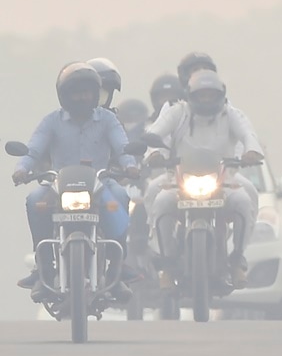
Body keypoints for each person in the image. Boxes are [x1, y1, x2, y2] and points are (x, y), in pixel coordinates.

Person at [12, 62, 140, 301]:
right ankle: (44, 268)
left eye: (87, 92)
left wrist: (130, 166)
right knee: (34, 200)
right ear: (64, 96)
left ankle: (117, 267)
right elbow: (33, 150)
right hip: (58, 186)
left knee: (121, 198)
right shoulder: (51, 121)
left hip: (100, 184)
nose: (82, 98)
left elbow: (123, 147)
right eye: (76, 92)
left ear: (95, 94)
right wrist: (21, 170)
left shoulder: (108, 120)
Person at [143, 69, 264, 288]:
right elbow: (155, 133)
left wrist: (251, 152)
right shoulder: (177, 112)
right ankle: (167, 265)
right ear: (190, 94)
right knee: (160, 202)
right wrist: (153, 153)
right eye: (201, 95)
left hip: (223, 179)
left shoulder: (231, 114)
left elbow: (248, 134)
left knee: (244, 201)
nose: (206, 100)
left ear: (221, 95)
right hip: (180, 180)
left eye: (211, 95)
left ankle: (237, 259)